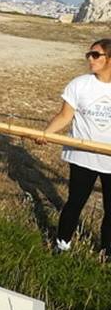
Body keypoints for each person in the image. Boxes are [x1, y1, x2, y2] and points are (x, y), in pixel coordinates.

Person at [38, 39, 111, 255]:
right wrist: (46, 134)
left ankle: (106, 254)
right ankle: (62, 244)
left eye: (95, 55)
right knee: (75, 202)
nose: (90, 58)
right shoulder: (79, 84)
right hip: (82, 156)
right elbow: (64, 116)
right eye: (88, 54)